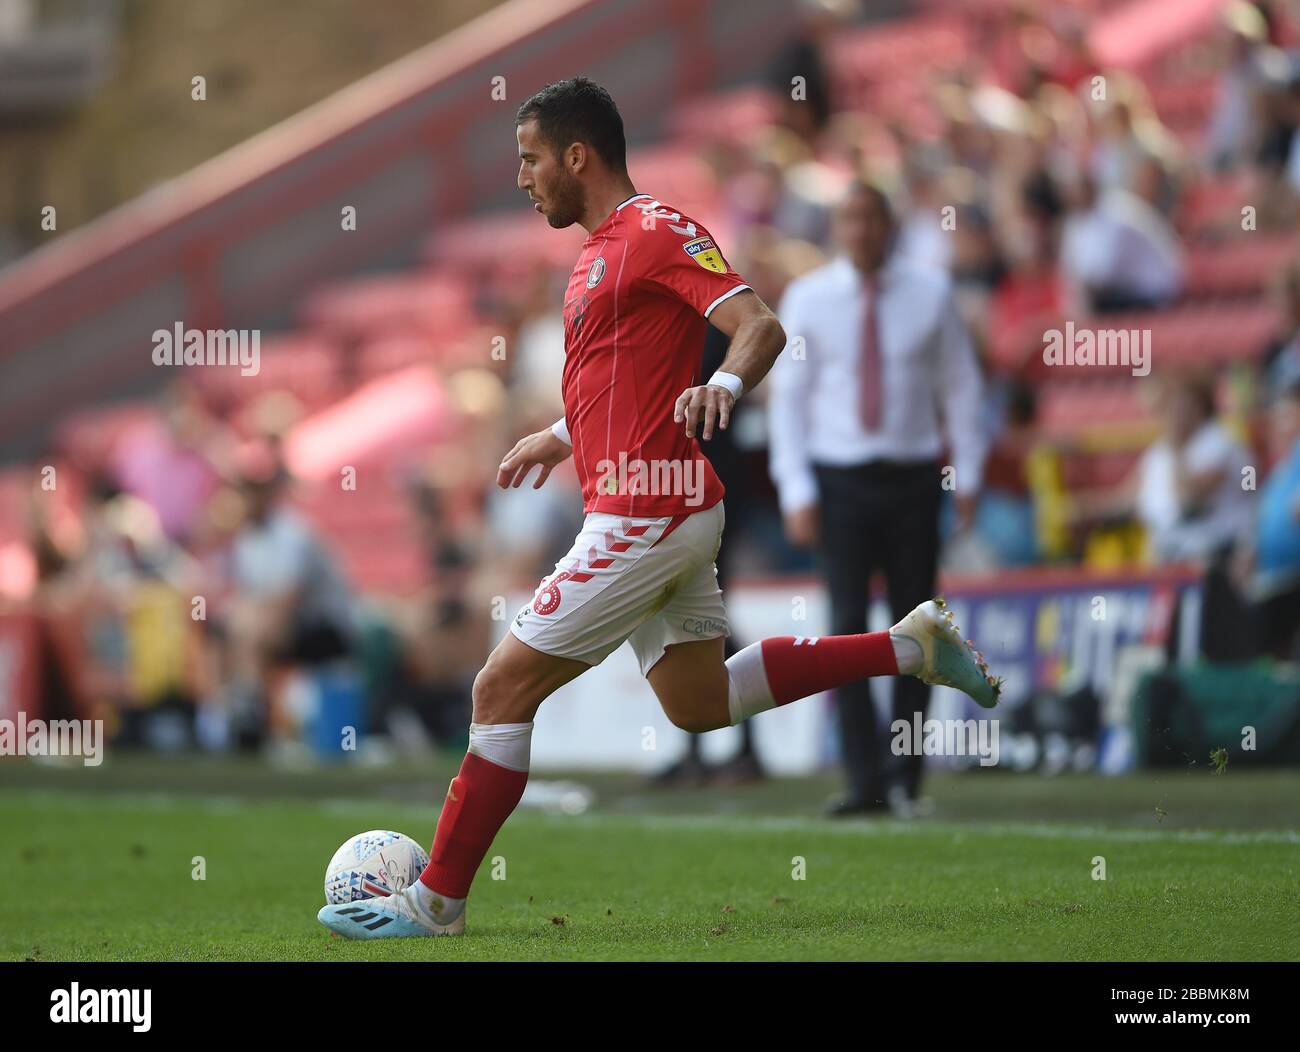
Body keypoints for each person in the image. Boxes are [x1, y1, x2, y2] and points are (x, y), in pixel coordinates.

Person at [317, 77, 1000, 941]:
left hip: (648, 511)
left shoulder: (656, 229)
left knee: (499, 688)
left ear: (577, 155)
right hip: (657, 508)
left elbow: (760, 324)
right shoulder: (598, 250)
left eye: (530, 159)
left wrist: (721, 383)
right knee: (700, 702)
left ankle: (437, 903)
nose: (522, 179)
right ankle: (907, 645)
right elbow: (626, 378)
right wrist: (563, 433)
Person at [767, 180, 990, 817]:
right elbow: (791, 401)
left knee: (918, 630)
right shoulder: (809, 298)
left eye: (872, 219)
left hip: (914, 479)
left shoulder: (931, 293)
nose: (861, 231)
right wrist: (797, 487)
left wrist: (966, 475)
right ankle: (863, 779)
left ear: (890, 226)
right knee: (843, 630)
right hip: (838, 482)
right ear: (838, 228)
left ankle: (906, 780)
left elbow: (962, 387)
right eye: (850, 220)